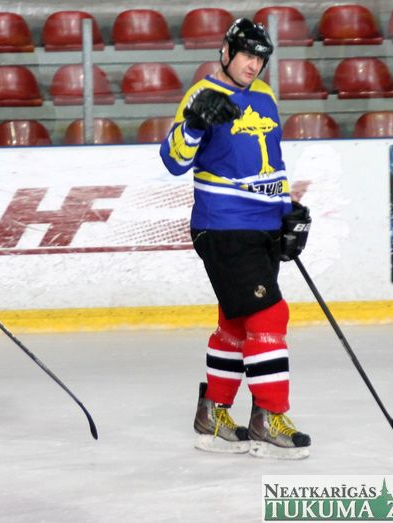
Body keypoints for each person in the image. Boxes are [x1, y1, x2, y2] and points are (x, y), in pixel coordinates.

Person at [160, 19, 312, 459]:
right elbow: (172, 160)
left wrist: (287, 212)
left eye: (260, 58)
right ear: (226, 51)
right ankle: (269, 416)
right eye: (246, 54)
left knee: (235, 323)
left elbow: (271, 162)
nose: (253, 65)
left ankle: (213, 414)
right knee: (269, 315)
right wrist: (193, 125)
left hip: (262, 226)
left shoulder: (265, 96)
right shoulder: (202, 95)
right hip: (224, 225)